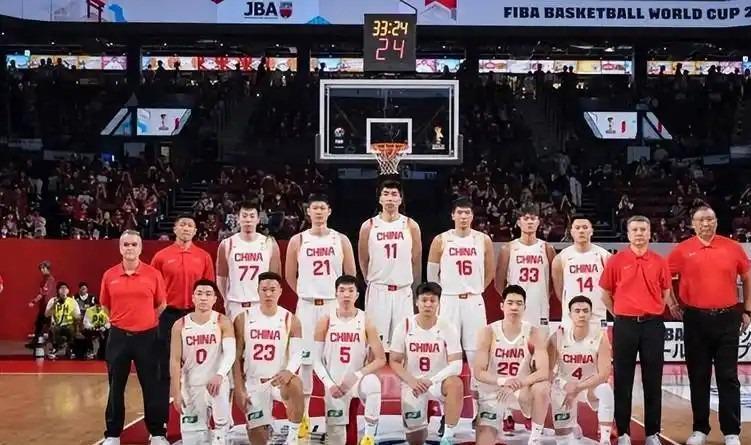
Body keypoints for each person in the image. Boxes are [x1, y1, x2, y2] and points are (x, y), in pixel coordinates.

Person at [668, 206, 751, 445]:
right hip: (695, 319)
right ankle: (700, 429)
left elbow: (747, 277)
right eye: (701, 220)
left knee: (728, 376)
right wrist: (672, 303)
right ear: (693, 224)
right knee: (698, 375)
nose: (706, 224)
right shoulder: (682, 249)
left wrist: (747, 309)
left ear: (716, 221)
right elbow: (664, 278)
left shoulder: (733, 247)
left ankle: (731, 432)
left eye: (710, 219)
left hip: (727, 318)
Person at [599, 216, 681, 445]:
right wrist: (621, 314)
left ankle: (652, 433)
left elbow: (665, 293)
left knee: (653, 380)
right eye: (634, 229)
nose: (639, 233)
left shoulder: (659, 261)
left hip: (652, 325)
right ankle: (623, 433)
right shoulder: (616, 261)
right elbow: (605, 294)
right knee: (623, 380)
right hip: (625, 325)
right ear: (628, 234)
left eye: (643, 229)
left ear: (649, 232)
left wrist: (651, 310)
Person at [285, 193, 356, 437]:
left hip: (332, 305)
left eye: (322, 208)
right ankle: (304, 417)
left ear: (329, 211)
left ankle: (335, 419)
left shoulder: (341, 239)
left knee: (333, 361)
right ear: (308, 211)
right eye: (314, 208)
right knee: (305, 361)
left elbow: (350, 275)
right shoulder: (298, 240)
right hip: (306, 305)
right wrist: (305, 294)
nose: (318, 212)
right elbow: (289, 275)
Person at [427, 196, 494, 426]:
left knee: (477, 357)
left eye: (467, 213)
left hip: (473, 301)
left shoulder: (483, 240)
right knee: (446, 356)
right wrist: (445, 295)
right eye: (459, 212)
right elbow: (432, 276)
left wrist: (474, 289)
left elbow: (489, 272)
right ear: (452, 215)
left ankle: (481, 411)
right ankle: (446, 412)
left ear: (472, 216)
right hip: (448, 300)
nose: (463, 216)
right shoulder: (441, 240)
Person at [100, 230, 168, 445]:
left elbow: (161, 304)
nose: (130, 248)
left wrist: (145, 321)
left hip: (147, 337)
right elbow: (104, 305)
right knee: (115, 386)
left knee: (152, 386)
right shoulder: (109, 275)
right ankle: (113, 435)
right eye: (126, 244)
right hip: (118, 337)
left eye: (134, 244)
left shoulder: (153, 274)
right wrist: (120, 321)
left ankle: (157, 433)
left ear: (140, 248)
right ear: (120, 247)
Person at [151, 214, 215, 428]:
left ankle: (201, 420)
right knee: (163, 370)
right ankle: (159, 427)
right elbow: (152, 288)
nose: (186, 228)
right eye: (182, 224)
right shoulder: (161, 257)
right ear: (175, 229)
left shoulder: (203, 257)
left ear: (195, 231)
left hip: (195, 316)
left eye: (190, 225)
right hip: (167, 315)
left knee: (198, 368)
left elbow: (209, 289)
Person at [313, 275, 386, 445]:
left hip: (356, 381)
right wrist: (330, 385)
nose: (346, 294)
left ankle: (369, 437)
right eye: (342, 290)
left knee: (373, 384)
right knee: (336, 439)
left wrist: (357, 375)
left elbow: (381, 359)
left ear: (357, 295)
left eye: (351, 290)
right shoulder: (325, 320)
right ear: (335, 294)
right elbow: (316, 360)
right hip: (334, 382)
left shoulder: (366, 321)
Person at [233, 272, 304, 445]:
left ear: (280, 291)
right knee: (258, 439)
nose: (268, 294)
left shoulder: (290, 319)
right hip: (254, 382)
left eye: (272, 289)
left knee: (296, 383)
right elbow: (236, 358)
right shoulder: (243, 318)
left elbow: (297, 352)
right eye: (264, 289)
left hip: (278, 381)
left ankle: (293, 437)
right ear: (257, 290)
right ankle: (263, 425)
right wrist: (239, 388)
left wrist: (289, 371)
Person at [473, 285, 551, 445]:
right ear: (502, 306)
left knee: (542, 388)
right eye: (510, 303)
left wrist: (518, 383)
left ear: (525, 307)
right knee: (484, 441)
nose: (514, 307)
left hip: (522, 390)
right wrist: (503, 381)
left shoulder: (534, 333)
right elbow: (478, 372)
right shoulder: (488, 332)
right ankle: (494, 421)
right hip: (495, 390)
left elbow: (543, 372)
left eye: (519, 303)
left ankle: (535, 439)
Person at [389, 282, 464, 445]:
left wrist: (432, 380)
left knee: (456, 384)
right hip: (413, 383)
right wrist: (411, 381)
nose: (428, 304)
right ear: (416, 302)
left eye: (432, 300)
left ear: (438, 303)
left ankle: (447, 436)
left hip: (437, 383)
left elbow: (457, 365)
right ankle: (419, 423)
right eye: (424, 300)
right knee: (415, 439)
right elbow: (394, 361)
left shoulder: (447, 326)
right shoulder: (405, 326)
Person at [358, 180, 422, 350]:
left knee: (403, 346)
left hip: (403, 290)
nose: (390, 198)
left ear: (400, 199)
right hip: (378, 289)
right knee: (375, 346)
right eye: (386, 194)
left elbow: (416, 260)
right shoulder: (368, 226)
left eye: (394, 194)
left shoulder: (411, 225)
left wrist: (414, 288)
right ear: (380, 199)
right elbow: (363, 259)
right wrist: (371, 281)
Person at [170, 279, 235, 445]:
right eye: (199, 293)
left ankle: (222, 433)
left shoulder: (222, 321)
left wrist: (220, 375)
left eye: (208, 294)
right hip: (191, 386)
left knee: (221, 437)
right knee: (193, 440)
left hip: (217, 384)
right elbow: (175, 361)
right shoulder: (179, 325)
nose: (203, 298)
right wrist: (176, 392)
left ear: (214, 299)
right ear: (193, 298)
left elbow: (230, 353)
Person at [547, 295, 614, 445]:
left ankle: (605, 439)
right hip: (564, 387)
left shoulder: (600, 337)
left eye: (585, 311)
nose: (581, 314)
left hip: (588, 386)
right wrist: (564, 384)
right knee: (563, 440)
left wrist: (578, 387)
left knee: (605, 390)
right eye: (577, 311)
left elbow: (604, 374)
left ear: (591, 314)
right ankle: (570, 425)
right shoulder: (558, 337)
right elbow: (548, 371)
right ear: (570, 314)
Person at [217, 201, 282, 321]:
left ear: (258, 219)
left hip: (260, 303)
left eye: (252, 216)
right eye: (244, 216)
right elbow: (221, 277)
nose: (248, 220)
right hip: (235, 304)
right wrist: (226, 300)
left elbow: (275, 278)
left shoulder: (269, 243)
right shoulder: (227, 244)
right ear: (238, 219)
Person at [495, 205, 556, 327]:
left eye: (533, 219)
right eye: (526, 218)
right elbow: (499, 283)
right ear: (519, 222)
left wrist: (542, 295)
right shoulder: (508, 248)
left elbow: (553, 281)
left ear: (538, 222)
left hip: (540, 305)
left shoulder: (547, 248)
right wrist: (511, 299)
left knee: (540, 339)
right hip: (515, 306)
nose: (529, 222)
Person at [551, 217, 611, 328]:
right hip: (571, 317)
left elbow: (611, 288)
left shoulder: (604, 256)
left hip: (597, 315)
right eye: (577, 228)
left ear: (591, 231)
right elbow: (559, 290)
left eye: (585, 227)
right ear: (571, 232)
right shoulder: (561, 258)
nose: (581, 231)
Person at [44, 282, 82, 359]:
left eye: (65, 288)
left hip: (69, 325)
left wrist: (78, 320)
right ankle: (55, 349)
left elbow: (78, 315)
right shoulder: (53, 300)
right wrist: (53, 305)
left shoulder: (72, 301)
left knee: (72, 330)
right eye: (61, 288)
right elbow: (46, 314)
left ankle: (70, 349)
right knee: (55, 330)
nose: (64, 290)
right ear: (58, 290)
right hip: (56, 325)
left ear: (68, 291)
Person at [27, 260, 56, 347]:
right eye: (41, 268)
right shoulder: (44, 280)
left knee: (47, 324)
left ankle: (52, 343)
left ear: (48, 268)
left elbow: (43, 293)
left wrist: (33, 301)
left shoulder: (50, 280)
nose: (42, 270)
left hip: (48, 306)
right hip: (43, 306)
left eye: (44, 268)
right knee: (39, 323)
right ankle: (36, 341)